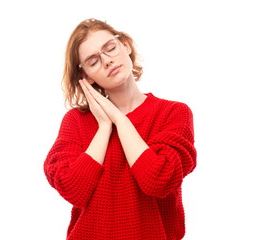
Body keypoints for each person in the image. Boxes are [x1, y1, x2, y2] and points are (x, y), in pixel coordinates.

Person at [43, 18, 197, 240]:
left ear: (125, 46)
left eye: (110, 48)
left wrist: (120, 120)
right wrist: (105, 125)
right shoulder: (76, 121)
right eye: (93, 61)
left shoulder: (173, 113)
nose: (107, 61)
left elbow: (159, 179)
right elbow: (73, 188)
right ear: (86, 77)